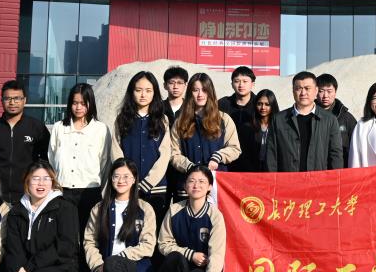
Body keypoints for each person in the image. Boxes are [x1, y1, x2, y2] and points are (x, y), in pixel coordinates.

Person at [81, 158, 157, 272]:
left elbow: (148, 245)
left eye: (126, 176)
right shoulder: (99, 208)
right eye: (116, 176)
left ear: (134, 179)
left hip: (132, 268)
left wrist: (120, 257)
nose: (121, 180)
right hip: (104, 267)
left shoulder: (144, 209)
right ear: (111, 179)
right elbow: (89, 242)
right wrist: (98, 266)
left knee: (115, 262)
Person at [2, 160, 80, 272]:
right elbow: (14, 250)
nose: (41, 183)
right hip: (32, 268)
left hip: (63, 268)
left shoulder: (65, 207)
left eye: (46, 178)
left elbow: (65, 247)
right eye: (36, 178)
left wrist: (30, 266)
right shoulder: (16, 212)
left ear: (53, 182)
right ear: (27, 181)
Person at [149, 166, 226, 272]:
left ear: (209, 187)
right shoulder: (175, 210)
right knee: (173, 258)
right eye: (191, 181)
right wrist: (190, 254)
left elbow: (217, 255)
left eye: (201, 181)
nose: (196, 185)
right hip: (181, 267)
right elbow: (163, 243)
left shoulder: (215, 216)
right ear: (185, 186)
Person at [48, 82, 113, 246]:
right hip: (63, 191)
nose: (78, 107)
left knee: (88, 236)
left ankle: (86, 263)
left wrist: (99, 186)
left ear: (91, 103)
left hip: (89, 191)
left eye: (83, 103)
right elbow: (51, 158)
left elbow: (105, 162)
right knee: (64, 235)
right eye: (75, 103)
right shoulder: (59, 128)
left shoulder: (101, 129)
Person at [0, 80, 50, 203]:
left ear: (24, 100)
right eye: (8, 98)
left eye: (17, 98)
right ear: (2, 100)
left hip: (28, 195)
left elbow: (45, 161)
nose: (12, 102)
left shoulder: (37, 128)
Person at [170, 73, 241, 203]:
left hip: (216, 185)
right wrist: (190, 167)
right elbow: (174, 154)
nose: (200, 94)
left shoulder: (224, 119)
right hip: (188, 186)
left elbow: (235, 148)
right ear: (190, 93)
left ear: (210, 92)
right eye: (195, 90)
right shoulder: (180, 121)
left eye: (204, 90)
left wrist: (218, 157)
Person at [113, 71, 172, 209]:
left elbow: (165, 155)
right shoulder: (122, 119)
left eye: (148, 91)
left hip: (156, 189)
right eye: (138, 90)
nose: (143, 95)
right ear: (131, 92)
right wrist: (126, 179)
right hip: (128, 188)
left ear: (154, 93)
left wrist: (148, 182)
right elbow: (116, 152)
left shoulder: (162, 120)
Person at [266, 71, 345, 172]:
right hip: (288, 180)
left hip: (318, 179)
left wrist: (334, 179)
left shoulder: (329, 120)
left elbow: (336, 156)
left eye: (307, 88)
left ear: (316, 91)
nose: (303, 93)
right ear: (293, 91)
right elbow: (271, 155)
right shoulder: (279, 119)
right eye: (299, 88)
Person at [236, 89, 279, 172]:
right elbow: (243, 154)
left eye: (267, 104)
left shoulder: (279, 127)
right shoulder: (246, 127)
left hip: (272, 171)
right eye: (259, 104)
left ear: (272, 105)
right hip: (251, 171)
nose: (263, 107)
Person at [316, 74, 357, 161]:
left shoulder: (347, 117)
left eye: (329, 91)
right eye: (321, 91)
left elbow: (356, 146)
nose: (325, 95)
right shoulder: (308, 116)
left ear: (335, 92)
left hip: (341, 165)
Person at [218, 66, 257, 130]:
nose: (241, 85)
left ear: (252, 84)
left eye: (245, 81)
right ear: (232, 84)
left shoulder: (259, 104)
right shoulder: (222, 104)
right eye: (237, 81)